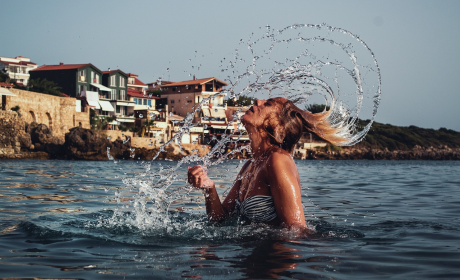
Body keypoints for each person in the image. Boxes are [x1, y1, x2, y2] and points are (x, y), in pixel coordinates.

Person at [188, 97, 347, 231]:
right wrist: (209, 188)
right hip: (250, 260)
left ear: (278, 128)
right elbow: (219, 219)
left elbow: (296, 229)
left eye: (268, 104)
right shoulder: (250, 165)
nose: (258, 100)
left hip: (273, 261)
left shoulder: (277, 160)